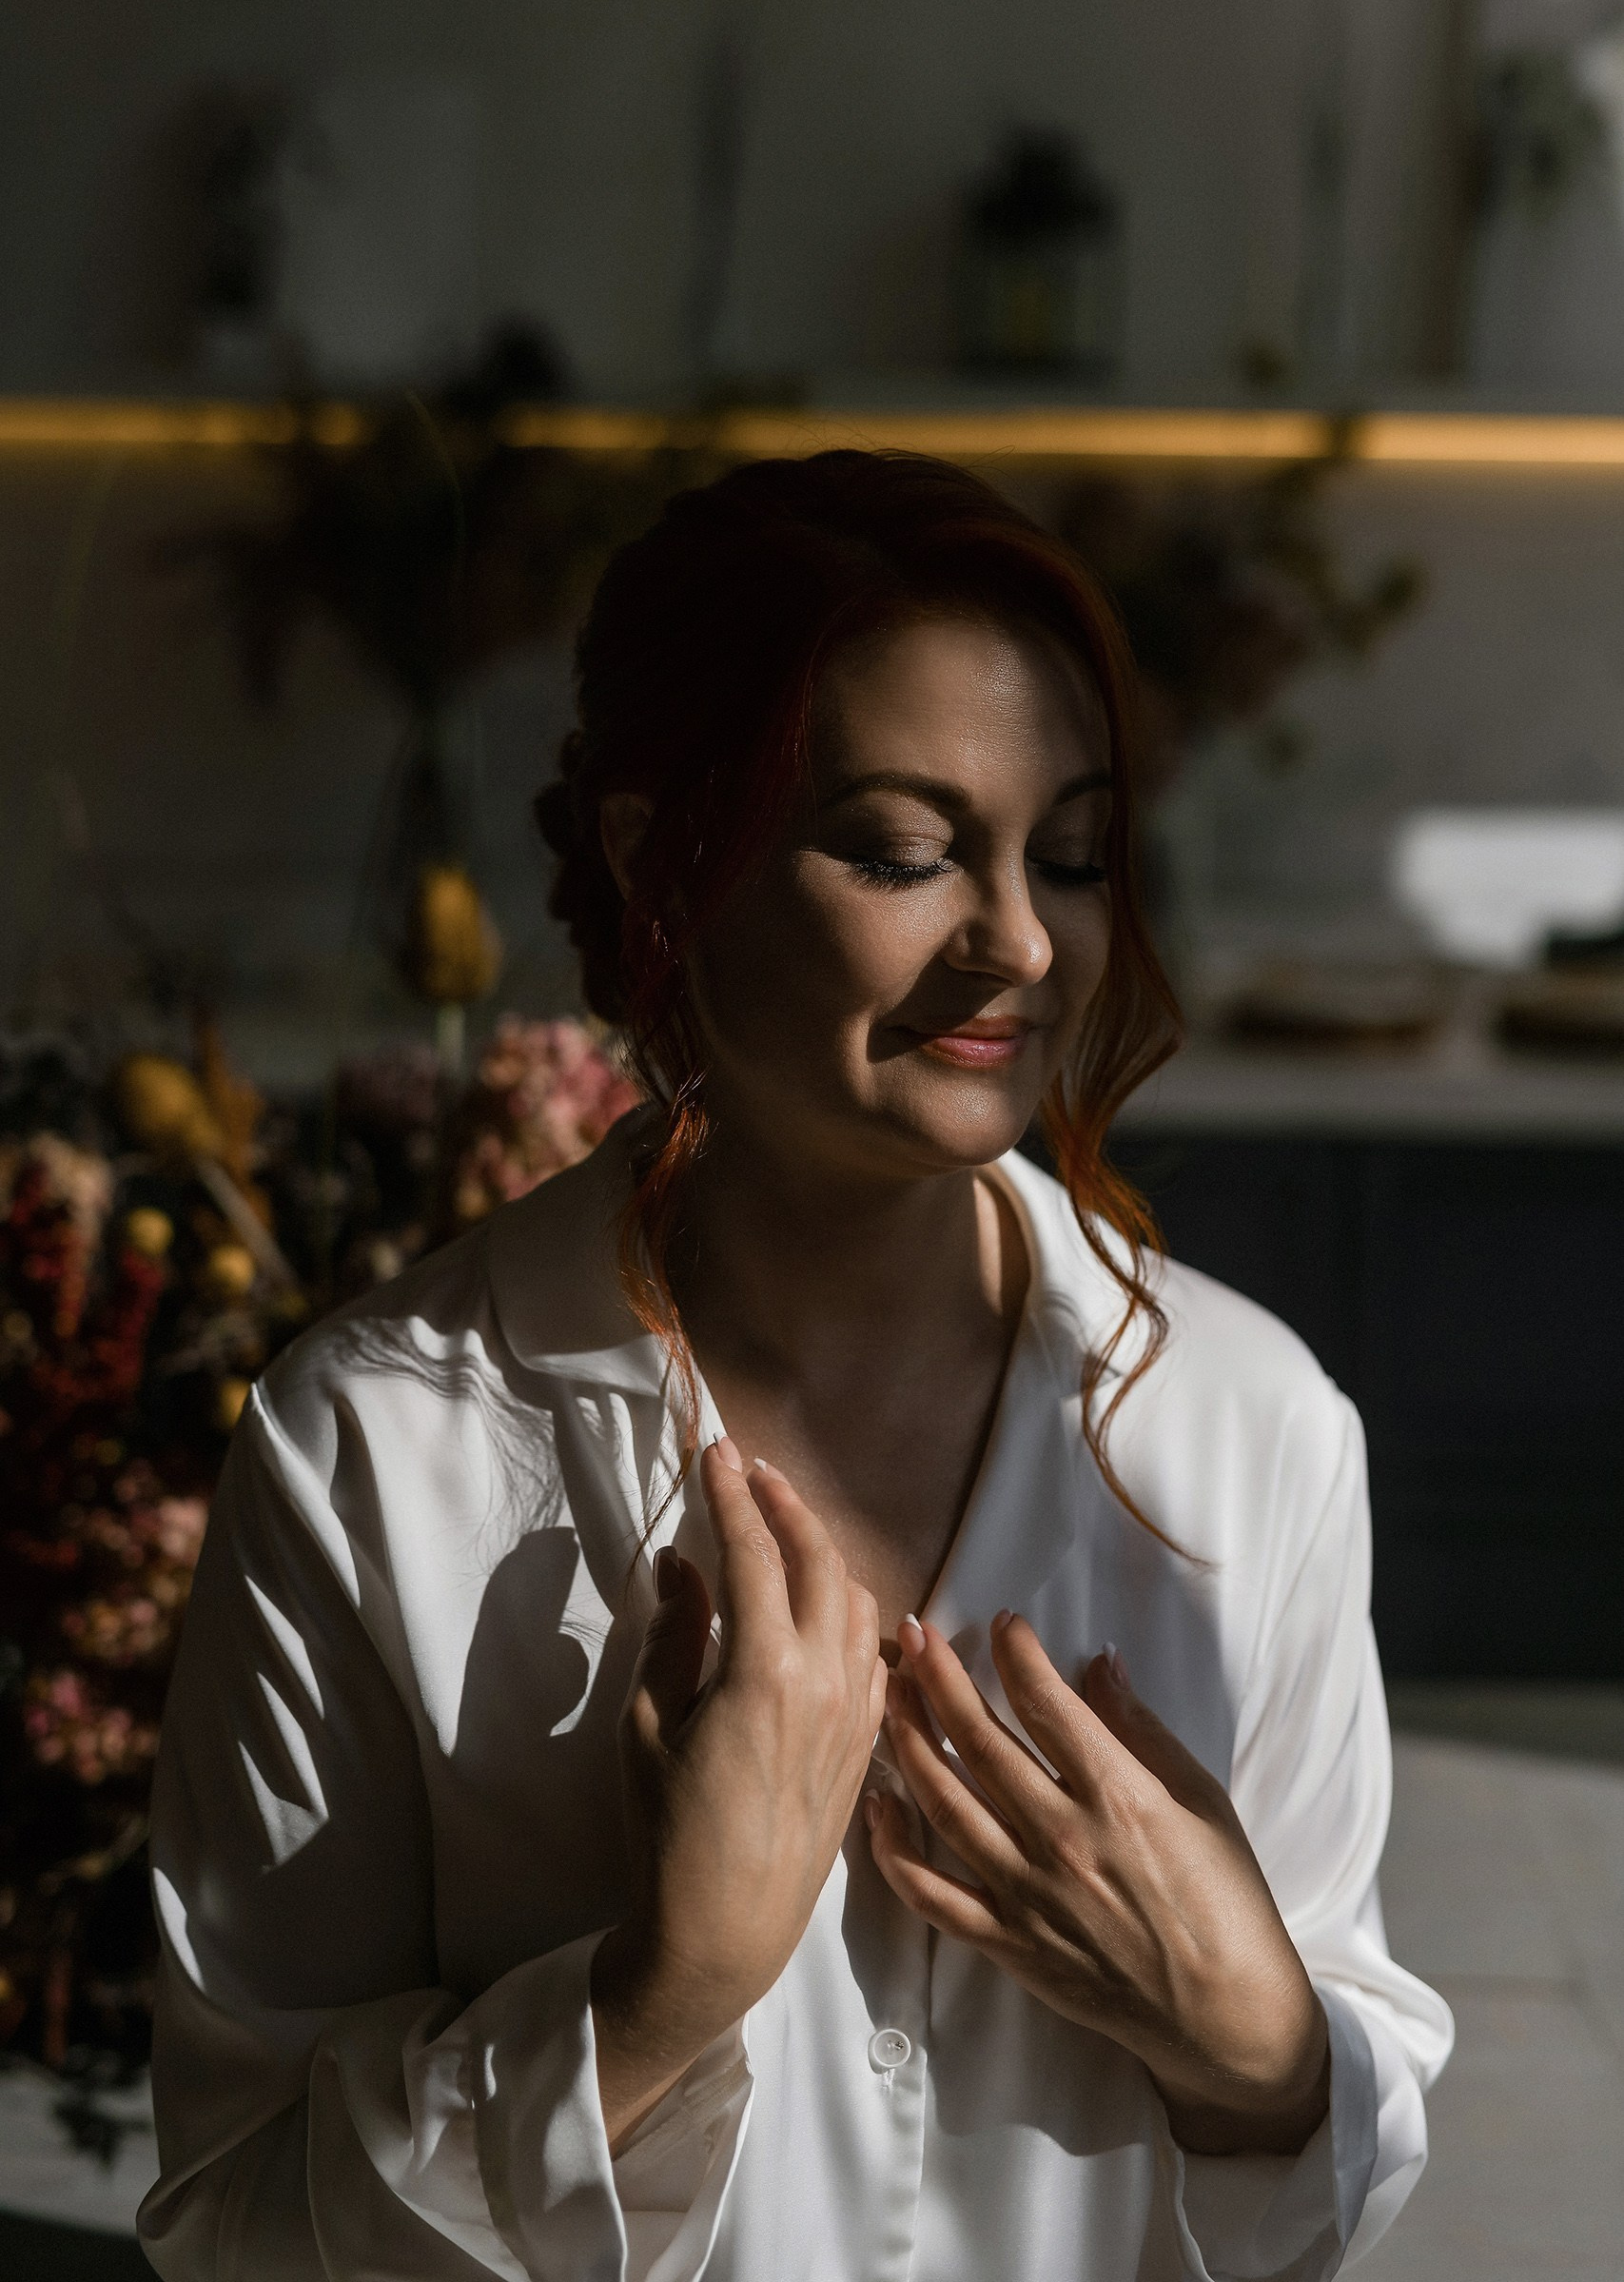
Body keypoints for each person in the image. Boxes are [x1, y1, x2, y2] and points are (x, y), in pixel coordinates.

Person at [139, 451, 1451, 2282]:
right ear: (658, 857)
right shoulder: (371, 1452)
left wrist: (1258, 2042)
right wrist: (651, 2006)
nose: (1022, 941)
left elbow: (1327, 2169)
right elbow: (230, 2227)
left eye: (1072, 855)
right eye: (904, 853)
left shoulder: (1255, 1428)